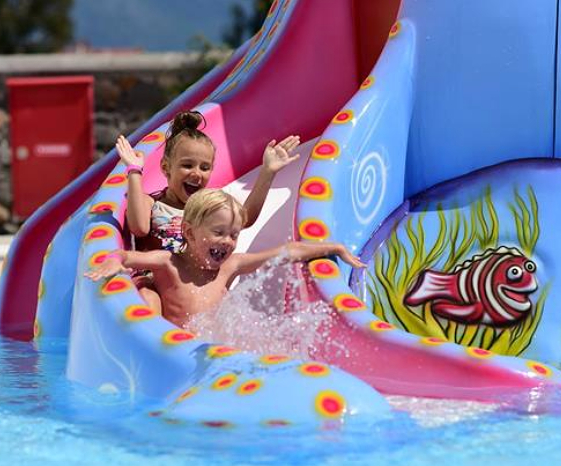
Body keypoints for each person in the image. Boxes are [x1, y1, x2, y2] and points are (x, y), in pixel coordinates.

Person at [85, 189, 364, 328]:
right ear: (190, 233)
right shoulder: (167, 263)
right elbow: (124, 254)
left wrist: (333, 247)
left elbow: (285, 253)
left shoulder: (231, 266)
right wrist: (114, 261)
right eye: (218, 232)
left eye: (233, 235)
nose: (227, 242)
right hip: (173, 351)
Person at [115, 111, 300, 310]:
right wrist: (134, 171)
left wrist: (267, 172)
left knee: (220, 296)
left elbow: (243, 219)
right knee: (147, 294)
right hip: (158, 283)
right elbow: (139, 227)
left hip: (196, 283)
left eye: (205, 167)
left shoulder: (208, 207)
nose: (196, 173)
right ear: (166, 167)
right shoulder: (151, 202)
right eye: (187, 165)